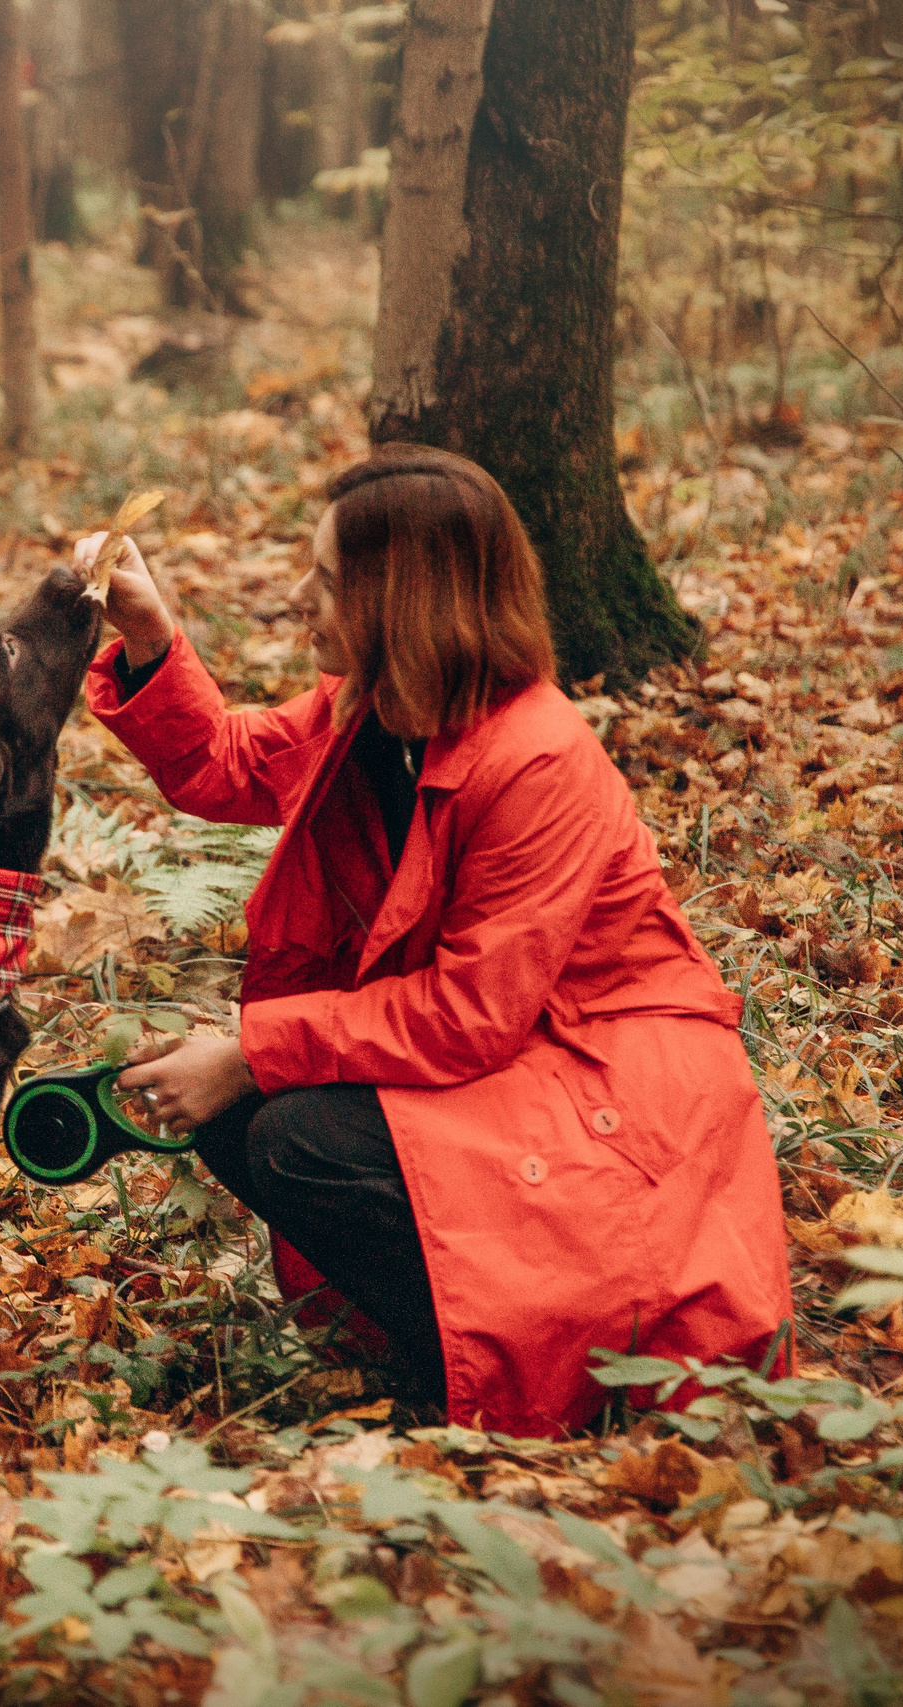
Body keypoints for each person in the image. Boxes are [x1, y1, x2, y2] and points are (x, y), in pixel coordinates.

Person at [80, 446, 792, 1436]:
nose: (300, 597)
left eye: (326, 581)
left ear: (395, 601)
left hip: (609, 1082)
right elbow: (226, 763)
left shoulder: (536, 758)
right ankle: (449, 1361)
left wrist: (249, 1053)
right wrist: (150, 634)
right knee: (254, 1124)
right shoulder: (372, 708)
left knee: (290, 1131)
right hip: (515, 1057)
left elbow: (466, 1016)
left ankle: (532, 1380)